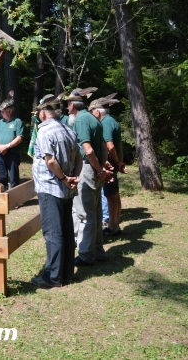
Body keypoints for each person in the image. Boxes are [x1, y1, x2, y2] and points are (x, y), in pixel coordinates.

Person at [31, 95, 83, 288]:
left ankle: (52, 277)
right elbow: (79, 157)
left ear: (43, 113)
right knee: (67, 230)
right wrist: (74, 177)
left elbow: (50, 160)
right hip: (66, 188)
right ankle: (67, 274)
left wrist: (62, 178)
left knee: (53, 233)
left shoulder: (44, 131)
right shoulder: (68, 129)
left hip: (50, 187)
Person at [65, 87, 111, 266]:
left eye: (67, 104)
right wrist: (101, 168)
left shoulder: (82, 120)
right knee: (96, 212)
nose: (66, 107)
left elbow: (88, 149)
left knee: (84, 213)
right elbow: (104, 148)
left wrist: (98, 169)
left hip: (87, 168)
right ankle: (98, 251)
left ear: (72, 105)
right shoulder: (94, 118)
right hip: (95, 169)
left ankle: (85, 255)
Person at [89, 95, 127, 237]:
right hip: (114, 163)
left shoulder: (105, 123)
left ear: (97, 112)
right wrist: (120, 162)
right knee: (115, 194)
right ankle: (115, 223)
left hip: (109, 164)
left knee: (110, 195)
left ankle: (112, 227)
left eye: (92, 112)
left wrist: (116, 162)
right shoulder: (112, 121)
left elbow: (110, 146)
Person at [0, 91, 24, 189]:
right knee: (2, 176)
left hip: (12, 153)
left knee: (13, 177)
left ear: (10, 110)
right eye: (1, 111)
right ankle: (3, 196)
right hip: (0, 153)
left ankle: (15, 198)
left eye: (3, 111)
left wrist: (6, 146)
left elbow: (19, 138)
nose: (1, 113)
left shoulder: (17, 121)